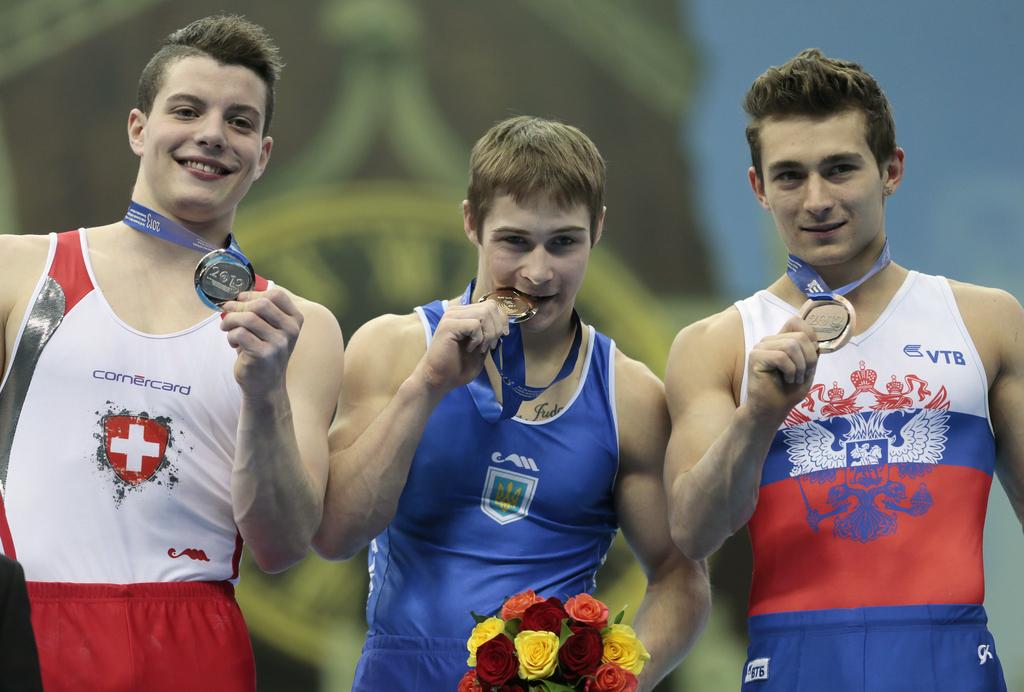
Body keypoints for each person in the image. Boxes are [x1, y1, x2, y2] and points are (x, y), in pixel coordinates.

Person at [0, 15, 343, 692]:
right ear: (139, 128)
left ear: (263, 153)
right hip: (29, 623)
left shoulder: (299, 327)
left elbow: (280, 547)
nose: (213, 134)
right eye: (187, 110)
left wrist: (265, 388)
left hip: (196, 639)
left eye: (240, 122)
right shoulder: (21, 271)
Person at [663, 48, 1022, 691]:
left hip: (949, 661)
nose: (817, 200)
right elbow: (692, 532)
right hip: (796, 666)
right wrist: (761, 414)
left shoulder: (988, 321)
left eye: (840, 169)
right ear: (758, 188)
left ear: (892, 170)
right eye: (790, 176)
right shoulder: (716, 344)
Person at [314, 115, 710, 690]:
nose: (539, 272)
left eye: (564, 242)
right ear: (472, 222)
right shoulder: (394, 348)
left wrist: (614, 685)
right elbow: (334, 536)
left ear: (597, 229)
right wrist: (426, 385)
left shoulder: (628, 393)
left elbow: (680, 577)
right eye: (515, 241)